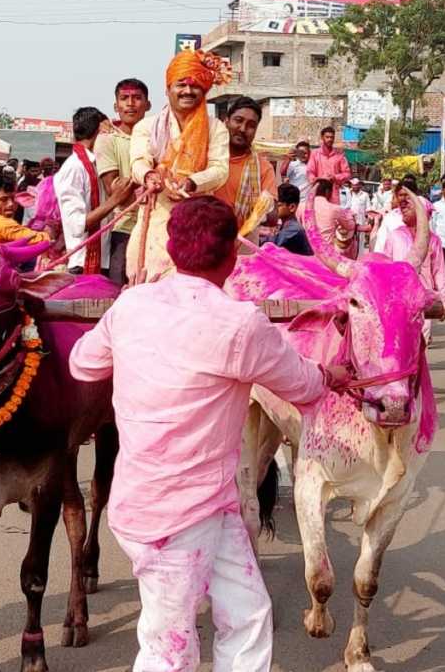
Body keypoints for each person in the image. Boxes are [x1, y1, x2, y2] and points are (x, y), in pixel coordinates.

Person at [68, 196, 346, 672]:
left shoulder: (131, 304)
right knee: (168, 649)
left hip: (202, 505)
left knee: (249, 614)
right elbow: (304, 386)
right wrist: (332, 375)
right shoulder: (241, 323)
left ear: (172, 250)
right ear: (232, 258)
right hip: (173, 516)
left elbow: (82, 362)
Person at [127, 49, 231, 283]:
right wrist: (149, 176)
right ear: (168, 89)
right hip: (155, 220)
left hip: (199, 224)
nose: (187, 91)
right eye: (181, 84)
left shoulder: (216, 129)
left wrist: (193, 182)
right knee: (144, 286)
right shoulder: (147, 127)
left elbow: (220, 169)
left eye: (195, 85)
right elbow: (138, 161)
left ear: (204, 90)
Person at [53, 106, 124, 274]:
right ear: (100, 130)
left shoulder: (98, 162)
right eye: (109, 130)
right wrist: (114, 201)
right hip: (84, 263)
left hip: (105, 258)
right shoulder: (74, 168)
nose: (112, 135)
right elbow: (77, 225)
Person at [95, 77, 150, 285]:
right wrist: (149, 176)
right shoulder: (107, 139)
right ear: (116, 106)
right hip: (124, 229)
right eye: (124, 98)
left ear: (147, 105)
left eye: (137, 98)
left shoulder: (157, 135)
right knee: (120, 293)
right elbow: (115, 191)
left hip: (157, 228)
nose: (130, 103)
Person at [383, 184, 445, 342]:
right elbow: (385, 267)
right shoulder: (395, 236)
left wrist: (444, 300)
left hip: (424, 298)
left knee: (422, 340)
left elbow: (439, 272)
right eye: (402, 207)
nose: (403, 209)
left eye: (409, 207)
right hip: (398, 298)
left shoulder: (433, 240)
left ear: (424, 214)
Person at [212, 97, 277, 240]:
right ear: (226, 121)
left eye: (251, 125)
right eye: (238, 120)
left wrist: (264, 207)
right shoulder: (208, 158)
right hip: (204, 241)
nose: (243, 129)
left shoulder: (264, 168)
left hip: (242, 248)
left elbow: (272, 218)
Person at [0, 175, 50, 244]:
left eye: (13, 198)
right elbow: (43, 239)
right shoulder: (3, 223)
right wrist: (52, 229)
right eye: (4, 199)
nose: (11, 204)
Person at [306, 178, 358, 260]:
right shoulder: (334, 209)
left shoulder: (302, 207)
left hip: (305, 253)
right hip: (326, 256)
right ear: (328, 192)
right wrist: (350, 217)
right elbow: (350, 226)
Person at [373, 174, 419, 253]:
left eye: (407, 195)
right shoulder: (390, 218)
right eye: (401, 195)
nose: (404, 199)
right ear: (396, 196)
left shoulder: (422, 216)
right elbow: (380, 247)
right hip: (394, 262)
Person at [305, 126, 350, 205]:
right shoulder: (315, 154)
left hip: (333, 194)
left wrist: (334, 177)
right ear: (322, 137)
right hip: (317, 192)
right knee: (312, 214)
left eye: (332, 137)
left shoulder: (339, 155)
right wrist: (319, 179)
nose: (330, 139)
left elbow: (347, 174)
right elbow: (309, 172)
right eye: (327, 137)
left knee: (332, 215)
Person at [272, 183, 313, 255]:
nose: (274, 209)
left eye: (278, 205)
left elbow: (273, 243)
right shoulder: (285, 226)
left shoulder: (294, 229)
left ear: (292, 207)